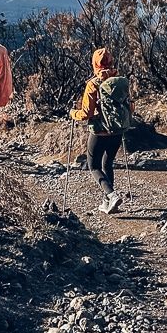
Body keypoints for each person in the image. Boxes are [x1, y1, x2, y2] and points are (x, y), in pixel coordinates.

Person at [70, 48, 133, 214]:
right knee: (108, 163)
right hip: (118, 131)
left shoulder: (94, 84)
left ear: (95, 64)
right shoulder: (121, 81)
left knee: (94, 166)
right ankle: (107, 202)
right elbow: (130, 105)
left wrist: (73, 113)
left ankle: (111, 195)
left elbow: (87, 113)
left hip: (99, 132)